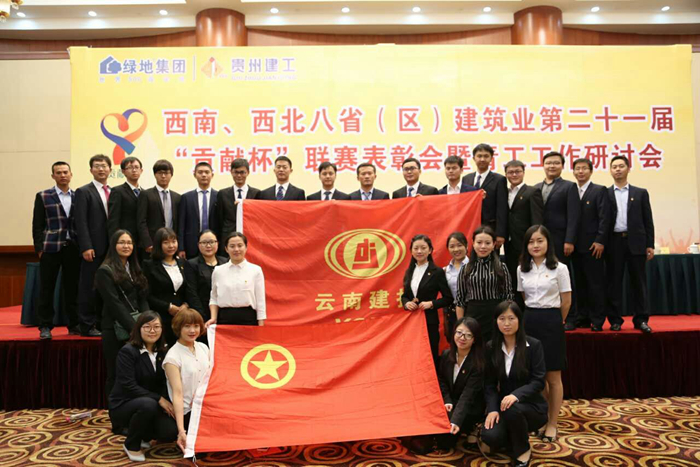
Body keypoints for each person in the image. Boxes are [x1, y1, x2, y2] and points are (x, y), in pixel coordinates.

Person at [517, 225, 571, 443]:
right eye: (531, 242)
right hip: (530, 321)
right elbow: (523, 297)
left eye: (540, 241)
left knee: (553, 377)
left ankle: (552, 423)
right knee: (536, 376)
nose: (535, 245)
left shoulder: (560, 268)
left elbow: (566, 301)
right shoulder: (521, 269)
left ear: (548, 243)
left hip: (552, 322)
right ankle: (542, 417)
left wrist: (557, 321)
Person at [480, 301, 548, 467]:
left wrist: (516, 395)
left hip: (532, 407)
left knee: (513, 409)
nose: (507, 323)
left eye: (511, 318)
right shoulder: (491, 347)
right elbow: (489, 384)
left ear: (519, 320)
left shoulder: (534, 346)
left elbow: (538, 381)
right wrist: (492, 409)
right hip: (504, 406)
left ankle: (523, 450)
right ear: (496, 321)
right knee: (490, 436)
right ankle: (513, 436)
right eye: (502, 319)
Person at [109, 311, 177, 462]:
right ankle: (131, 444)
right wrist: (159, 399)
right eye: (147, 327)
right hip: (124, 403)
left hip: (151, 402)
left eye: (156, 327)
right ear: (138, 328)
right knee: (148, 405)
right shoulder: (128, 352)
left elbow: (164, 382)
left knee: (169, 433)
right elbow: (129, 386)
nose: (152, 331)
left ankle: (143, 435)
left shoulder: (163, 351)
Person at [96, 230, 150, 398]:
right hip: (114, 329)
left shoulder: (135, 268)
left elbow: (142, 297)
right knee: (115, 373)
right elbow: (114, 304)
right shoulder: (105, 270)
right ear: (113, 245)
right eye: (122, 242)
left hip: (136, 327)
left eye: (129, 243)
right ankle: (114, 411)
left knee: (136, 374)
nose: (126, 246)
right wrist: (135, 329)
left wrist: (147, 321)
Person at [32, 161, 81, 339]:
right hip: (50, 248)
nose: (62, 175)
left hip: (73, 248)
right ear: (53, 176)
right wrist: (39, 249)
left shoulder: (78, 196)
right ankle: (45, 326)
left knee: (72, 288)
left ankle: (74, 324)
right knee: (47, 288)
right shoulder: (44, 196)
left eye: (65, 172)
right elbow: (37, 225)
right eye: (58, 173)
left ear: (71, 174)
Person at [606, 155, 655, 333]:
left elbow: (648, 220)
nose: (618, 169)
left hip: (636, 242)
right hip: (613, 242)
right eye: (614, 167)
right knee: (614, 283)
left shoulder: (640, 193)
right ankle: (615, 320)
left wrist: (650, 244)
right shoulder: (605, 193)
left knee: (638, 283)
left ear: (628, 169)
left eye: (621, 166)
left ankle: (641, 319)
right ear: (610, 171)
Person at [568, 158, 610, 332]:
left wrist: (600, 240)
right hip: (575, 247)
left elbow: (605, 218)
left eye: (584, 168)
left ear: (591, 171)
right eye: (577, 169)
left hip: (593, 246)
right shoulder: (571, 190)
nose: (580, 172)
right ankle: (583, 317)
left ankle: (598, 319)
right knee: (579, 284)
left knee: (595, 284)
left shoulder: (599, 190)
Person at [143, 228, 204, 346]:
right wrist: (168, 307)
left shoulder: (183, 263)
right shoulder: (149, 265)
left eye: (174, 241)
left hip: (181, 318)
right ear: (159, 244)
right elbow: (147, 295)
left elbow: (188, 289)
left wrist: (186, 305)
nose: (171, 246)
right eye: (166, 242)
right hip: (160, 317)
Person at [75, 154, 113, 337]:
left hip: (111, 249)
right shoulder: (84, 191)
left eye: (104, 166)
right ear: (91, 170)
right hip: (92, 248)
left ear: (110, 169)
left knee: (106, 287)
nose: (101, 169)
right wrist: (85, 246)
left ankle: (101, 322)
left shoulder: (113, 191)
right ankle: (87, 324)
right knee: (89, 286)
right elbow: (80, 221)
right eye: (97, 166)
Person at [164, 307, 211, 454]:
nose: (192, 330)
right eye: (187, 326)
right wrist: (181, 430)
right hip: (189, 411)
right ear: (178, 328)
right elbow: (177, 394)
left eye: (196, 326)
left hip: (207, 405)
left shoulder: (203, 348)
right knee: (200, 451)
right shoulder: (172, 357)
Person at [401, 234, 453, 366]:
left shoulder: (437, 272)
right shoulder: (409, 271)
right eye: (416, 248)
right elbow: (404, 295)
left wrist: (431, 304)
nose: (419, 251)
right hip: (412, 321)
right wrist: (407, 303)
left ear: (430, 250)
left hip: (429, 321)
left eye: (423, 248)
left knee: (430, 354)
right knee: (413, 354)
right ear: (411, 251)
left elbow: (448, 298)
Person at [455, 226, 513, 344]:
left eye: (487, 243)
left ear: (494, 245)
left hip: (495, 315)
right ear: (473, 243)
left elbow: (508, 297)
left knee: (494, 349)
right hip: (472, 315)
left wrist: (505, 321)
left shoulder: (501, 267)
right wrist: (461, 324)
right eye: (479, 242)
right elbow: (460, 300)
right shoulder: (465, 269)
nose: (483, 246)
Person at [437, 317, 485, 450]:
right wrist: (447, 400)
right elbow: (441, 380)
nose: (462, 338)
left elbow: (468, 395)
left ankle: (471, 428)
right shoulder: (446, 354)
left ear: (474, 339)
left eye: (468, 335)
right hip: (451, 403)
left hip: (469, 407)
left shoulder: (478, 363)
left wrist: (455, 420)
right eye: (459, 333)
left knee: (446, 442)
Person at [503, 160, 544, 311]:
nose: (514, 175)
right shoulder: (504, 192)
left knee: (528, 279)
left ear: (523, 173)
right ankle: (517, 311)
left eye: (517, 171)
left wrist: (534, 242)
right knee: (513, 279)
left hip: (526, 244)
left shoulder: (532, 192)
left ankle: (530, 311)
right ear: (506, 174)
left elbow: (537, 220)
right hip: (509, 244)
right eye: (510, 172)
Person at [206, 232, 266, 327]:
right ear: (226, 249)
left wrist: (261, 324)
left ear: (246, 247)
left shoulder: (255, 270)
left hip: (248, 319)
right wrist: (213, 318)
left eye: (240, 245)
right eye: (232, 246)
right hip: (224, 319)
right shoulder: (218, 271)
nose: (236, 249)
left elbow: (260, 301)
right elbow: (214, 298)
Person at [463, 144, 508, 249]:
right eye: (479, 156)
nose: (482, 159)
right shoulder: (466, 179)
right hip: (470, 227)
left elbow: (502, 208)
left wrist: (500, 233)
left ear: (491, 159)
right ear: (474, 158)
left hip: (490, 228)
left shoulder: (499, 179)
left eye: (486, 156)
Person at [184, 230, 228, 329]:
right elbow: (192, 293)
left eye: (212, 242)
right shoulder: (191, 264)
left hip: (224, 313)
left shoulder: (226, 262)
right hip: (202, 314)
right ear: (198, 245)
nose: (208, 246)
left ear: (217, 243)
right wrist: (202, 317)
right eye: (204, 242)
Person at [137, 159, 181, 255]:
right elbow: (141, 221)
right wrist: (147, 242)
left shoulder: (177, 197)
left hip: (171, 244)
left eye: (166, 173)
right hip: (152, 243)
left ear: (171, 175)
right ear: (155, 175)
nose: (163, 176)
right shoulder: (146, 194)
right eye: (160, 173)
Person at [216, 159, 261, 251]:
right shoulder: (222, 194)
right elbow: (219, 220)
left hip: (250, 238)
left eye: (242, 172)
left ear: (248, 172)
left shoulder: (257, 194)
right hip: (227, 239)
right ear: (231, 172)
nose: (239, 175)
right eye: (236, 172)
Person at [178, 161, 219, 259]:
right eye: (200, 172)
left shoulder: (219, 196)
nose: (203, 175)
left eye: (207, 172)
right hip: (191, 245)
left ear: (212, 175)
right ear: (195, 175)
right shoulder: (186, 197)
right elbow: (181, 224)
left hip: (213, 245)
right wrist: (181, 247)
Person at [107, 156, 144, 257]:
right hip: (125, 241)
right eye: (130, 168)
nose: (134, 170)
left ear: (141, 170)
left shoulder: (145, 193)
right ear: (123, 172)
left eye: (136, 167)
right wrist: (115, 242)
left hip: (142, 242)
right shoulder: (117, 191)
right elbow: (113, 220)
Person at [443, 232, 469, 339]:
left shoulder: (474, 266)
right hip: (453, 312)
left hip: (471, 310)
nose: (456, 249)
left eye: (459, 245)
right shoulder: (445, 271)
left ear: (466, 246)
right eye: (452, 246)